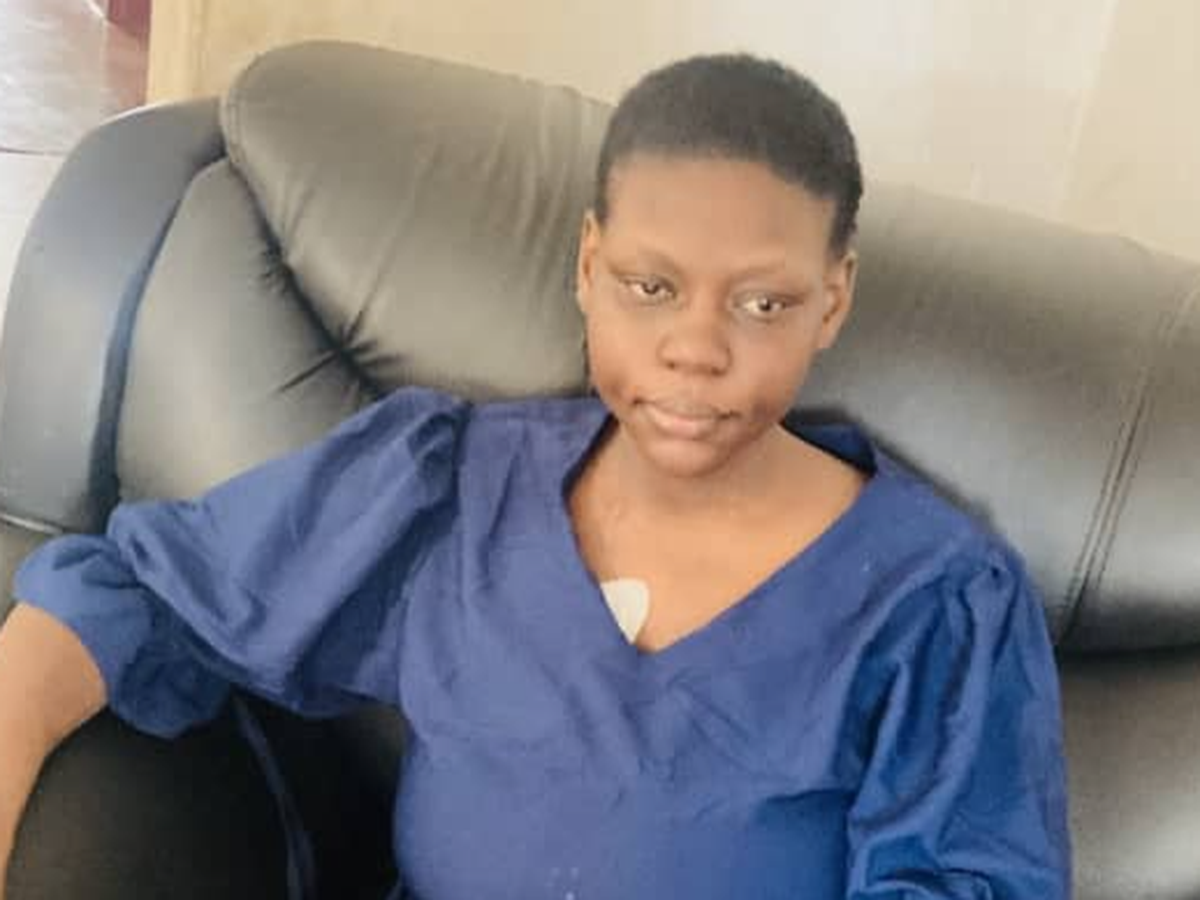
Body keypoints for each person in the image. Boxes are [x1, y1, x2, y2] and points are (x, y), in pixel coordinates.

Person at [0, 53, 1070, 899]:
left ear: (831, 301)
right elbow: (139, 593)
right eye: (651, 286)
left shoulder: (937, 602)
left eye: (762, 304)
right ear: (589, 266)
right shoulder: (452, 485)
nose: (696, 349)